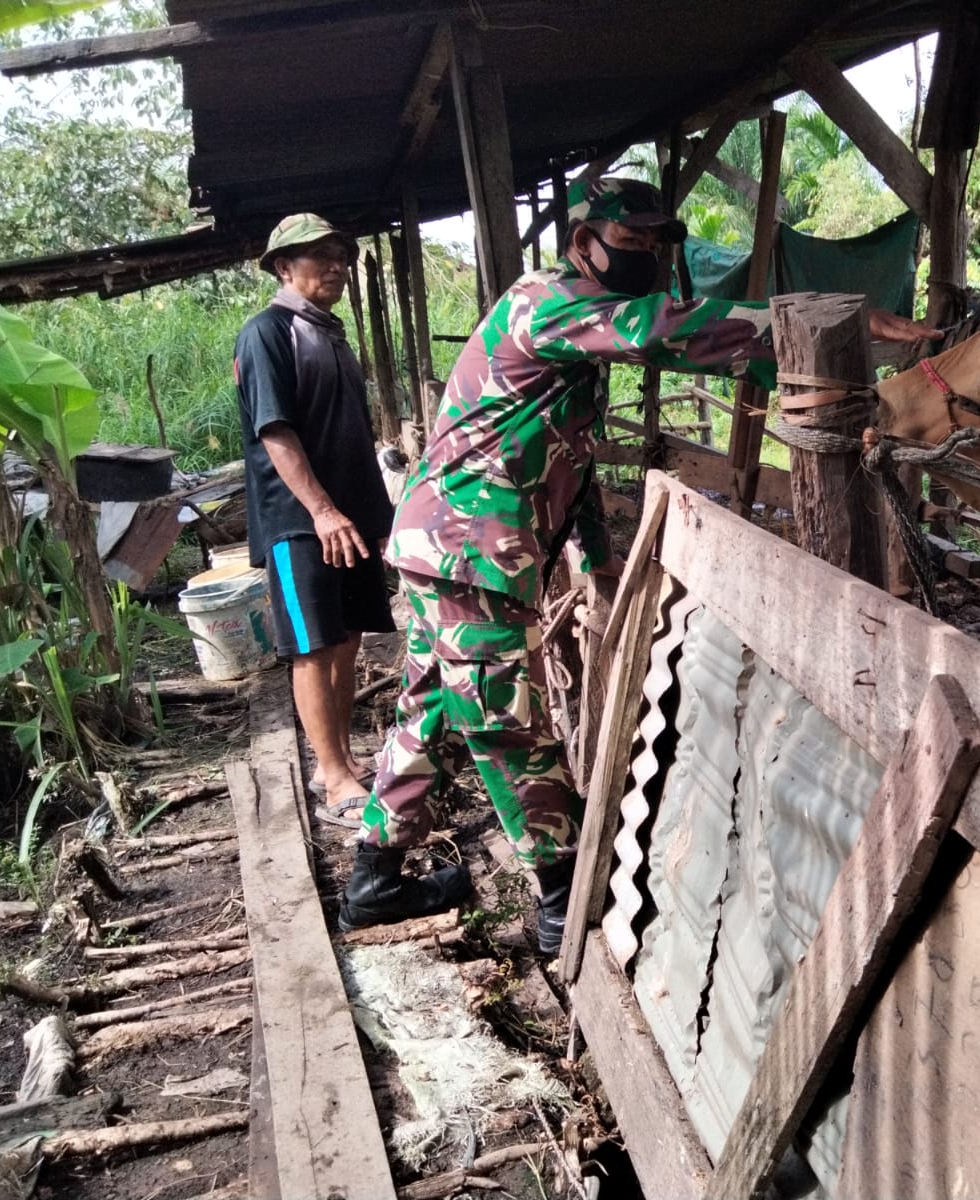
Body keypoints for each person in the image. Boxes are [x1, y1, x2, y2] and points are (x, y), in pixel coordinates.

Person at [339, 178, 936, 950]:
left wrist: (593, 557)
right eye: (630, 243)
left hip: (455, 551)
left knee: (428, 707)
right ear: (582, 240)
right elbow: (665, 331)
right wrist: (802, 323)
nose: (647, 258)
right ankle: (561, 897)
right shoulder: (546, 301)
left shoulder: (578, 334)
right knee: (502, 721)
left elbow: (571, 457)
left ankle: (374, 880)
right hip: (465, 553)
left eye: (657, 246)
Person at [234, 214, 395, 817]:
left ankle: (347, 759)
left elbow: (352, 435)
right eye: (316, 256)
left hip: (348, 517)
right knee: (313, 646)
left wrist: (371, 519)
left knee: (348, 639)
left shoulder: (330, 333)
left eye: (340, 256)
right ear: (283, 267)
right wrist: (323, 511)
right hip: (302, 519)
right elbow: (275, 433)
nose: (334, 266)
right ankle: (330, 777)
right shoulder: (268, 332)